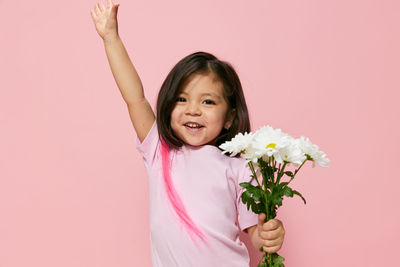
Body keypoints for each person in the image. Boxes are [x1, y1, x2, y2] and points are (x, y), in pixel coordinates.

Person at [90, 1, 285, 266]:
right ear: (169, 106)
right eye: (182, 99)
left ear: (229, 117)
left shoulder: (241, 168)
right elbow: (135, 98)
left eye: (208, 102)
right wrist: (111, 38)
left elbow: (256, 235)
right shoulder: (159, 150)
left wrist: (269, 236)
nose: (193, 110)